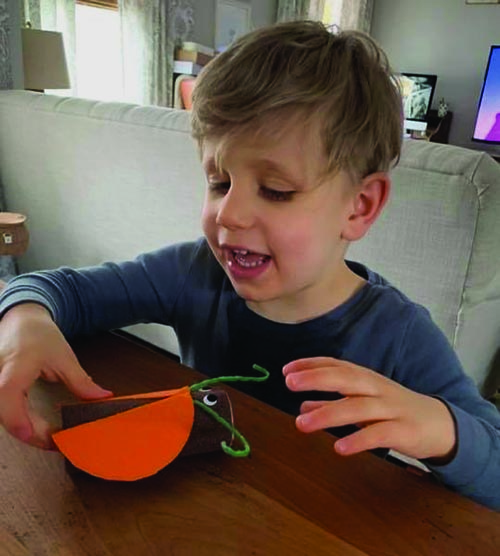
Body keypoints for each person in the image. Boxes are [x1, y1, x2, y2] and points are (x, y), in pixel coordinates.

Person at [0, 20, 499, 510]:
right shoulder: (192, 273)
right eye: (219, 182)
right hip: (195, 507)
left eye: (276, 191)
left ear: (359, 207)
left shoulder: (399, 333)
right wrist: (24, 319)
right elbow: (56, 289)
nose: (229, 213)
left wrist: (444, 430)